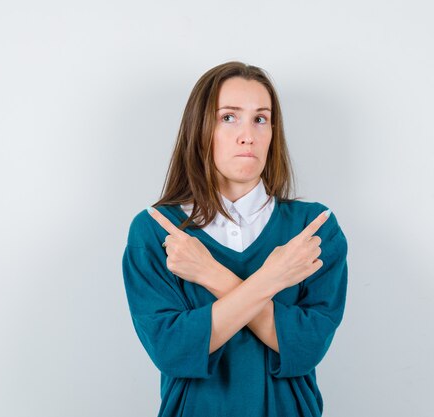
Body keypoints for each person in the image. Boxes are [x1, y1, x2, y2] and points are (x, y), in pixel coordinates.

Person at [121, 61, 348, 417]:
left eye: (260, 119)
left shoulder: (313, 229)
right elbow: (172, 351)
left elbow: (306, 349)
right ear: (200, 129)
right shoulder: (156, 230)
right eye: (229, 117)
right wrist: (273, 278)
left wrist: (211, 274)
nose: (248, 135)